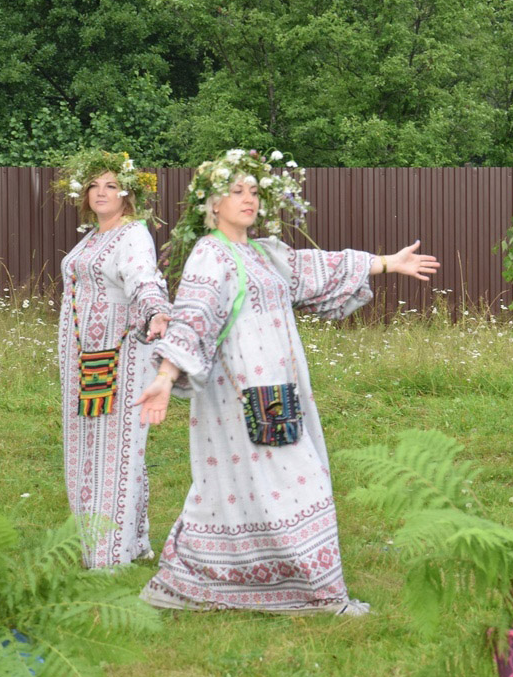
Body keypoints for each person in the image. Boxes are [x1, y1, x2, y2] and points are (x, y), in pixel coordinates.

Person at [135, 149, 440, 614]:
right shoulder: (210, 254)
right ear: (211, 203)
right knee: (298, 481)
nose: (248, 199)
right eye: (235, 191)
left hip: (277, 392)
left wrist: (385, 263)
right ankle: (316, 591)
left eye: (254, 191)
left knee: (266, 484)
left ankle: (215, 578)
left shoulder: (260, 253)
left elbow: (315, 270)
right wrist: (164, 375)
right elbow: (193, 317)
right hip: (240, 397)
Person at [55, 149, 171, 568]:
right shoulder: (93, 236)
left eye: (111, 185)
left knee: (115, 450)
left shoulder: (133, 234)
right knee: (88, 446)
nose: (101, 192)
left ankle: (108, 554)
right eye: (94, 185)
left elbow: (144, 278)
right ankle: (133, 541)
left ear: (127, 195)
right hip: (83, 359)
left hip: (118, 357)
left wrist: (157, 310)